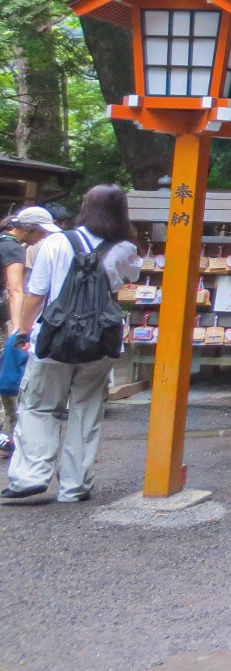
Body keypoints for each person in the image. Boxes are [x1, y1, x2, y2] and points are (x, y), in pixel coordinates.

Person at [3, 186, 139, 504]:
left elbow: (36, 294)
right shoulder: (125, 247)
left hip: (52, 340)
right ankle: (74, 486)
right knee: (86, 409)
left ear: (85, 207)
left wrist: (22, 332)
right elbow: (129, 277)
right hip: (100, 341)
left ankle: (30, 477)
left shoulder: (54, 243)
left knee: (38, 405)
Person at [0, 209, 62, 457]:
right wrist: (19, 328)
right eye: (40, 231)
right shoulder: (14, 248)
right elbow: (15, 289)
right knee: (7, 373)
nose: (42, 237)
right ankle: (11, 433)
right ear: (27, 229)